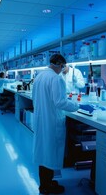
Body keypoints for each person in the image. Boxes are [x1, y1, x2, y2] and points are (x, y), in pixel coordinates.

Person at [32, 53, 80, 194]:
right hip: (52, 121)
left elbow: (35, 97)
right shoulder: (55, 79)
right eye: (63, 66)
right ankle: (47, 187)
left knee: (43, 153)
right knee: (51, 153)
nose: (62, 69)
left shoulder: (40, 76)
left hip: (41, 119)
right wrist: (76, 106)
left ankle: (45, 183)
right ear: (59, 64)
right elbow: (60, 102)